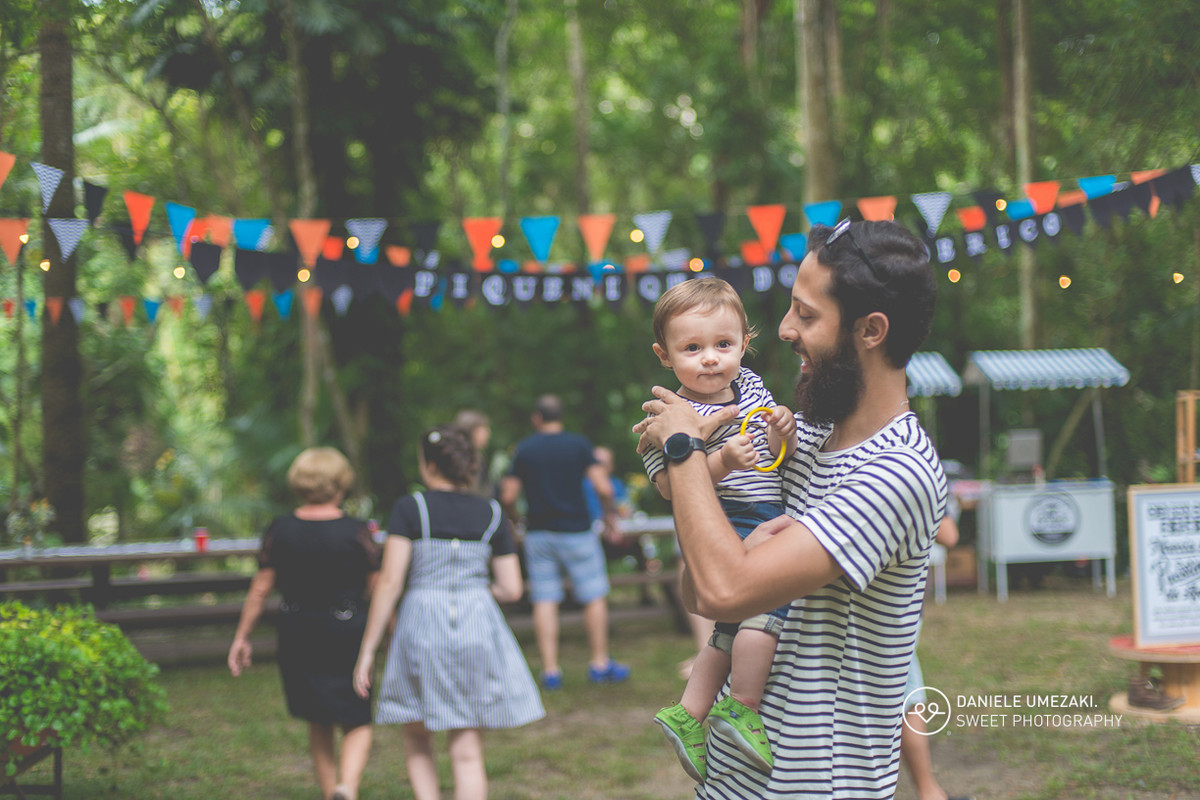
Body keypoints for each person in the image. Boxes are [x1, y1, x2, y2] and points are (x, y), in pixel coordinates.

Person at [633, 218, 947, 798]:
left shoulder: (895, 472)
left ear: (870, 330)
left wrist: (685, 448)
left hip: (813, 784)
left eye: (805, 314)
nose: (782, 330)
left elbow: (726, 589)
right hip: (732, 778)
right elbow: (700, 590)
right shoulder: (796, 437)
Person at [640, 277, 797, 782]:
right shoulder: (667, 415)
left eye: (723, 344)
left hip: (766, 505)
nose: (710, 358)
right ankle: (743, 706)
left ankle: (689, 712)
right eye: (693, 348)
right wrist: (722, 460)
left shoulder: (751, 386)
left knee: (728, 629)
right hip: (724, 519)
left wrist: (781, 432)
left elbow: (774, 455)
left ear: (744, 343)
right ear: (665, 355)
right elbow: (669, 486)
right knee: (767, 611)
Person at [353, 425, 544, 800]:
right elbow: (512, 588)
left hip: (423, 622)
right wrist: (474, 588)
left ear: (428, 465)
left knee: (417, 734)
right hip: (477, 621)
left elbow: (390, 581)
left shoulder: (412, 508)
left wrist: (367, 650)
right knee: (468, 748)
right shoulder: (491, 512)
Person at [228, 447, 381, 800]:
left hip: (298, 629)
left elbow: (260, 589)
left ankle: (331, 793)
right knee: (356, 714)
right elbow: (377, 588)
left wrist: (242, 636)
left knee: (318, 715)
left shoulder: (281, 529)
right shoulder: (355, 531)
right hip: (348, 630)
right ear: (340, 483)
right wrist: (391, 630)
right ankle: (348, 787)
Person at [499, 394, 630, 689]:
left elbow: (507, 495)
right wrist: (609, 515)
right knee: (593, 594)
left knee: (545, 598)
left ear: (537, 418)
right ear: (561, 417)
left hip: (539, 533)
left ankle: (551, 671)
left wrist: (516, 518)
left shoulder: (525, 449)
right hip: (577, 531)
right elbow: (604, 487)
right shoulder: (578, 445)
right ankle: (599, 664)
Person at [901, 513, 972, 800]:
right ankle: (930, 793)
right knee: (909, 703)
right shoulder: (905, 471)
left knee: (909, 701)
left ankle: (930, 791)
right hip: (892, 612)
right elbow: (949, 534)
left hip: (896, 610)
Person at [454, 409, 497, 497]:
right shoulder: (465, 459)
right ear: (471, 431)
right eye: (484, 428)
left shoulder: (478, 457)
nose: (489, 432)